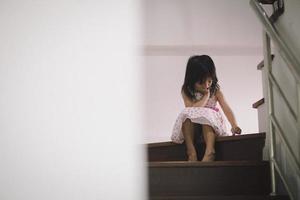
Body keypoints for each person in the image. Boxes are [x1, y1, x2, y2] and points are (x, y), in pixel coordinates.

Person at [171, 55, 242, 162]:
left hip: (211, 128)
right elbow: (193, 110)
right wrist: (206, 96)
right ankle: (191, 152)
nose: (206, 85)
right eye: (201, 82)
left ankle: (210, 151)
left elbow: (226, 109)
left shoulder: (216, 91)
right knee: (186, 115)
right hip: (194, 130)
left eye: (209, 81)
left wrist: (234, 125)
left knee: (206, 116)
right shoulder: (187, 91)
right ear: (191, 80)